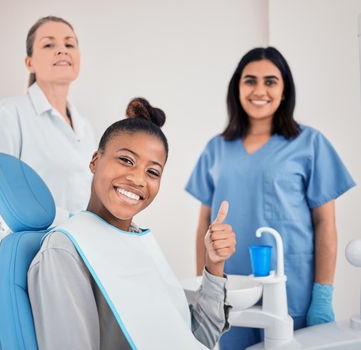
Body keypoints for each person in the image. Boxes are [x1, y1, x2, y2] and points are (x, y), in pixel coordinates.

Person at [28, 97, 237, 350]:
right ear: (95, 160)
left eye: (153, 172)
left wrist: (213, 264)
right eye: (126, 160)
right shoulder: (65, 250)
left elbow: (197, 339)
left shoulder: (140, 243)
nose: (138, 179)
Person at [185, 47, 356, 349]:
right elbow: (204, 224)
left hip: (293, 290)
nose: (259, 90)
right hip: (230, 292)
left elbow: (325, 225)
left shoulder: (310, 143)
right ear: (237, 87)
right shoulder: (216, 149)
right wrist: (205, 289)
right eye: (250, 80)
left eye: (270, 81)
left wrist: (322, 295)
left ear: (284, 89)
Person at [0, 16, 95, 350]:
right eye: (48, 44)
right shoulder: (11, 114)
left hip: (69, 270)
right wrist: (62, 220)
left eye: (70, 43)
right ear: (30, 61)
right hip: (17, 273)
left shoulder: (86, 129)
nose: (62, 50)